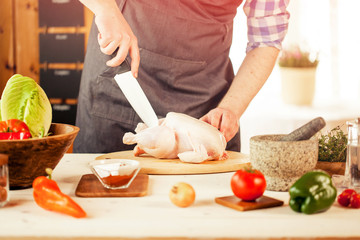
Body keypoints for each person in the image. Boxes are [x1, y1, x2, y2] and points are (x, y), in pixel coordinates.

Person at [74, 0, 290, 153]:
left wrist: (231, 109)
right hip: (118, 87)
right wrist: (105, 9)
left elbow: (266, 40)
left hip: (205, 105)